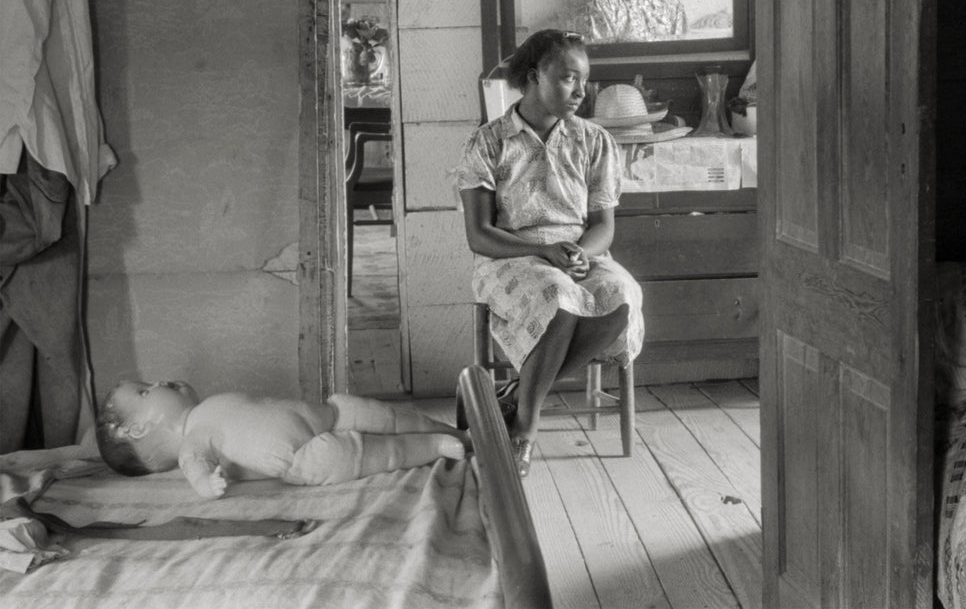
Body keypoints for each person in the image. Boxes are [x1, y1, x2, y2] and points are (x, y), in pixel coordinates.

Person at [453, 29, 644, 477]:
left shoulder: (594, 142)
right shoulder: (488, 142)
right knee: (557, 297)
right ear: (534, 76)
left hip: (578, 253)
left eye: (584, 80)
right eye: (567, 78)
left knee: (620, 298)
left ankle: (517, 398)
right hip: (509, 257)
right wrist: (544, 251)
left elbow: (603, 227)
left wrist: (577, 251)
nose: (580, 91)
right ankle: (526, 430)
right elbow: (479, 235)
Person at [95, 379, 467, 499]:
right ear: (137, 430)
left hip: (327, 412)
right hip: (303, 457)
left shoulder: (208, 405)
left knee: (387, 416)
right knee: (379, 452)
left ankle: (447, 428)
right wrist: (207, 483)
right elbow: (193, 466)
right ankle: (434, 446)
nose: (158, 383)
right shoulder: (194, 437)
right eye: (145, 392)